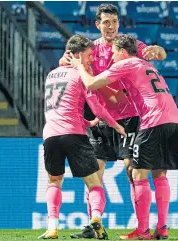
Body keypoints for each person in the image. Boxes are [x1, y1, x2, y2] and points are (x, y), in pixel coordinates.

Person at [60, 4, 167, 239]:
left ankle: (142, 228)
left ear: (119, 24)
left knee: (133, 171)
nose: (111, 26)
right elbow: (66, 63)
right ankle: (94, 224)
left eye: (114, 22)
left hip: (129, 118)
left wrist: (157, 50)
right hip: (99, 119)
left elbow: (157, 53)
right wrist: (64, 59)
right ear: (97, 25)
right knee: (94, 172)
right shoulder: (90, 48)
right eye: (106, 22)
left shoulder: (129, 46)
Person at [38, 35, 126, 240]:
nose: (92, 60)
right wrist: (115, 125)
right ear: (76, 55)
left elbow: (62, 107)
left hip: (50, 134)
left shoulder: (51, 74)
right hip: (73, 135)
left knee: (54, 181)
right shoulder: (80, 76)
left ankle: (52, 228)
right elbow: (97, 107)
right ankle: (96, 218)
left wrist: (88, 122)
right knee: (94, 183)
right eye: (88, 55)